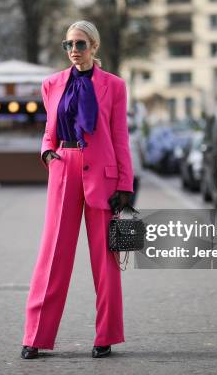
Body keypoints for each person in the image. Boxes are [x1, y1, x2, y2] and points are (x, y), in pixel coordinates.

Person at [21, 20, 134, 360]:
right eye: (69, 44)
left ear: (94, 47)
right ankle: (35, 335)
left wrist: (125, 186)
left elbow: (120, 138)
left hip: (103, 175)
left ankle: (107, 335)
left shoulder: (114, 86)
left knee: (105, 260)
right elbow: (48, 130)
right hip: (63, 169)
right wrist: (47, 153)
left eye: (80, 44)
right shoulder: (51, 84)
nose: (74, 50)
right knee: (52, 255)